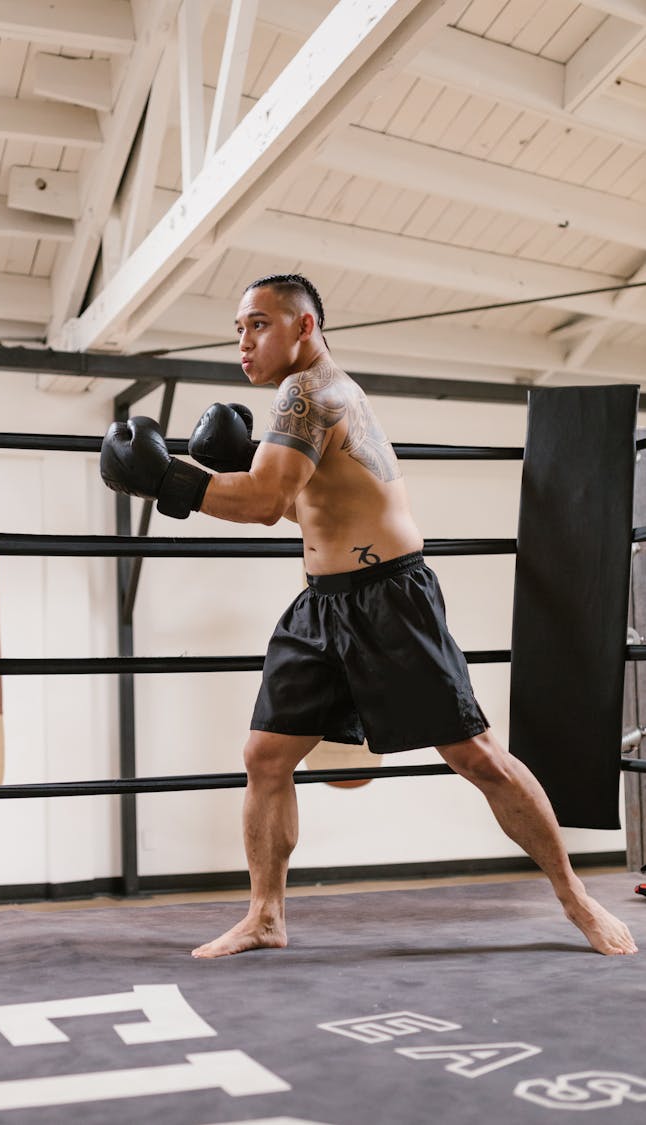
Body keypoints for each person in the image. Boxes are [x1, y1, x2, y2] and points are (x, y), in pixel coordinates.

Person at [100, 273, 638, 959]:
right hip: (323, 605)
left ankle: (575, 897)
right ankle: (265, 914)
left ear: (304, 327)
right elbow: (302, 507)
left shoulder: (308, 392)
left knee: (475, 755)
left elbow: (264, 503)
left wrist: (166, 479)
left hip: (389, 600)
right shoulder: (320, 395)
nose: (244, 341)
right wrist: (232, 467)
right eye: (238, 327)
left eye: (258, 324)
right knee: (265, 755)